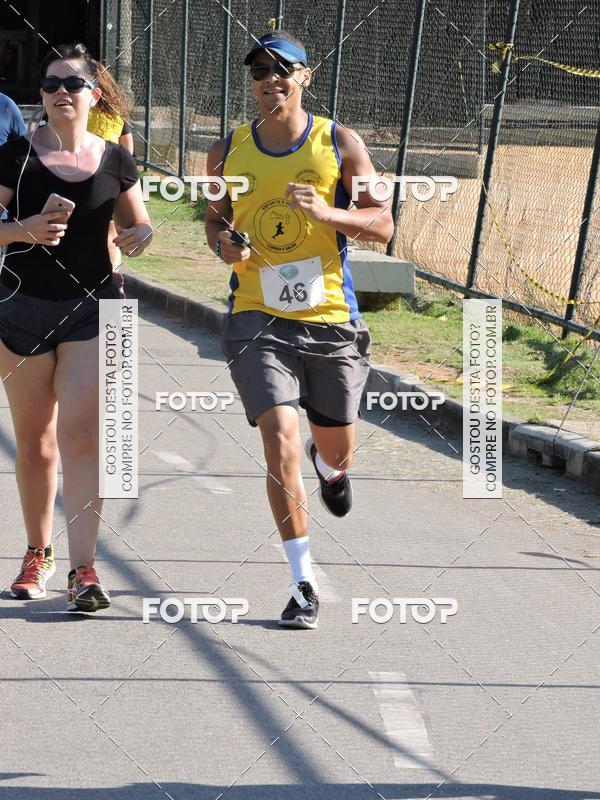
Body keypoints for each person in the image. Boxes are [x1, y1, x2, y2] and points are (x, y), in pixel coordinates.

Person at [205, 31, 393, 629]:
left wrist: (328, 213)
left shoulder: (338, 141)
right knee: (279, 435)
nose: (270, 79)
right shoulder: (226, 150)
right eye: (259, 69)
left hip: (331, 321)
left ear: (305, 77)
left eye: (283, 69)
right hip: (257, 317)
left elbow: (383, 225)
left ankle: (332, 467)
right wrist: (226, 247)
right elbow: (213, 223)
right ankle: (302, 583)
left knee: (332, 445)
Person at [0, 42, 152, 611]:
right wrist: (25, 230)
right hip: (21, 308)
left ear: (94, 95)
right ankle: (37, 552)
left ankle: (84, 569)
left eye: (73, 84)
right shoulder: (14, 154)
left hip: (95, 310)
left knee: (84, 436)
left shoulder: (116, 158)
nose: (62, 92)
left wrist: (140, 237)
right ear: (39, 95)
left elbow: (139, 227)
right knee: (36, 444)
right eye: (51, 84)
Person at [87, 59, 135, 290]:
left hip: (81, 174)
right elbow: (128, 147)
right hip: (112, 177)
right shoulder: (116, 111)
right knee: (111, 231)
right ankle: (113, 273)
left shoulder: (77, 110)